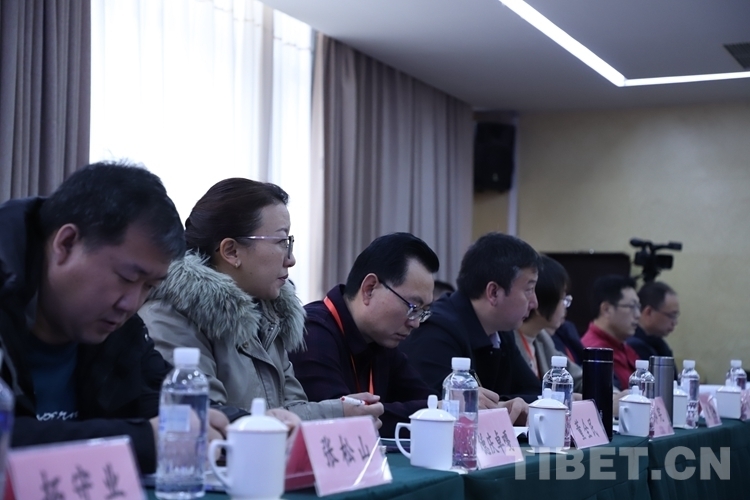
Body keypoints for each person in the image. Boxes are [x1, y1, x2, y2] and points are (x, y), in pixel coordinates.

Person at [0, 162, 228, 474]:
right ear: (66, 244)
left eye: (149, 287)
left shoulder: (120, 331)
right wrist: (139, 442)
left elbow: (160, 400)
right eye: (126, 277)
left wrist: (249, 426)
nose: (131, 303)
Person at [139, 178, 383, 426]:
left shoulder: (270, 314)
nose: (291, 259)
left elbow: (292, 409)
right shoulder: (169, 315)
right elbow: (207, 420)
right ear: (231, 251)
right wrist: (337, 414)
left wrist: (342, 412)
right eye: (281, 242)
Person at [400, 232, 541, 409]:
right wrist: (503, 405)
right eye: (529, 290)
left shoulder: (501, 332)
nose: (534, 303)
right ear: (493, 292)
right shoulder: (436, 331)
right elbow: (436, 405)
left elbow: (534, 392)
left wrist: (502, 405)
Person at [514, 255, 583, 392]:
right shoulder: (509, 338)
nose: (566, 306)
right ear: (540, 303)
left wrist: (612, 394)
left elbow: (577, 378)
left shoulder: (542, 338)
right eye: (563, 298)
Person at [580, 275, 640, 390]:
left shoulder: (624, 346)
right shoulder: (594, 352)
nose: (638, 315)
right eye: (631, 306)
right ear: (606, 309)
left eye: (638, 307)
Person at [626, 281, 679, 361]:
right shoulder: (634, 347)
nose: (675, 322)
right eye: (671, 315)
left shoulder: (658, 344)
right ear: (649, 312)